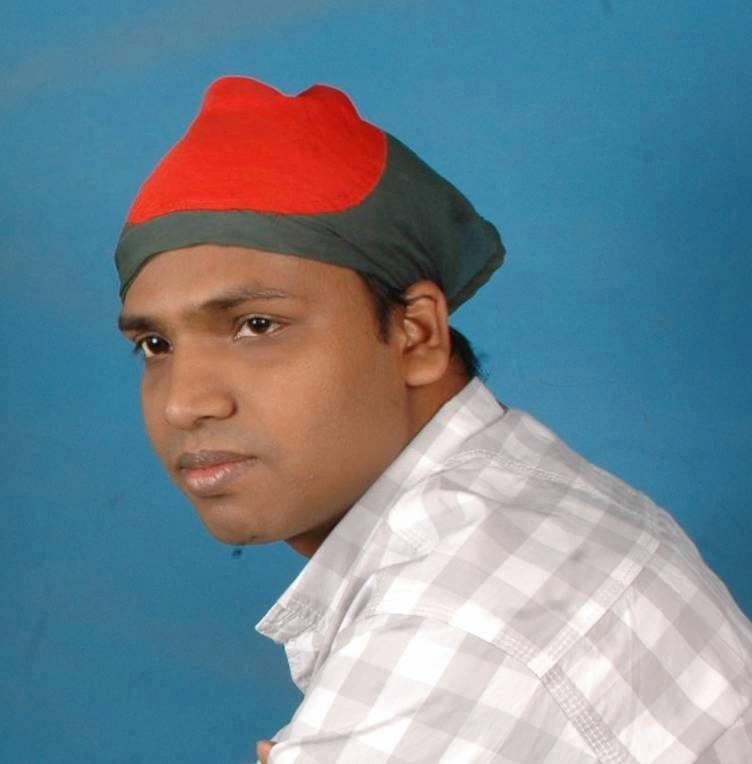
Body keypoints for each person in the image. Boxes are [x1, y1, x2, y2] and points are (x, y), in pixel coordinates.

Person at [115, 76, 751, 763]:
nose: (185, 403)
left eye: (258, 325)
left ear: (417, 335)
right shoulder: (519, 499)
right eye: (155, 345)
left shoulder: (455, 619)